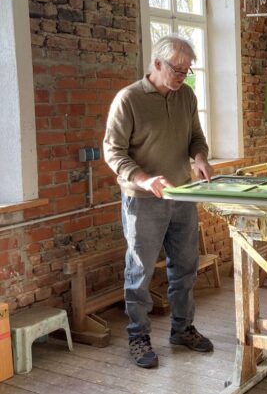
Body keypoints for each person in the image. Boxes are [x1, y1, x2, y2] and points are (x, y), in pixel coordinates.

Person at [103, 35, 215, 368]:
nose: (183, 75)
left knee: (185, 268)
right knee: (139, 271)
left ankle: (182, 329)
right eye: (177, 69)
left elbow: (196, 137)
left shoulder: (187, 96)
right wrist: (143, 179)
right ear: (156, 64)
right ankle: (138, 337)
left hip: (181, 196)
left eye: (187, 69)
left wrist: (200, 158)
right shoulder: (129, 100)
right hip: (143, 201)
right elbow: (113, 151)